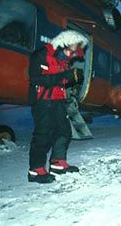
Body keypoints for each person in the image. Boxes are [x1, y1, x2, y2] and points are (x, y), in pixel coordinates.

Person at [27, 30, 88, 183]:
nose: (72, 56)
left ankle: (57, 163)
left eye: (74, 53)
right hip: (43, 100)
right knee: (43, 134)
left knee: (64, 131)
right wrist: (64, 77)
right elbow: (35, 79)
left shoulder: (63, 61)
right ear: (63, 44)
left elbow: (61, 81)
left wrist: (73, 78)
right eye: (71, 51)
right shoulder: (41, 55)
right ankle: (36, 170)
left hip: (58, 100)